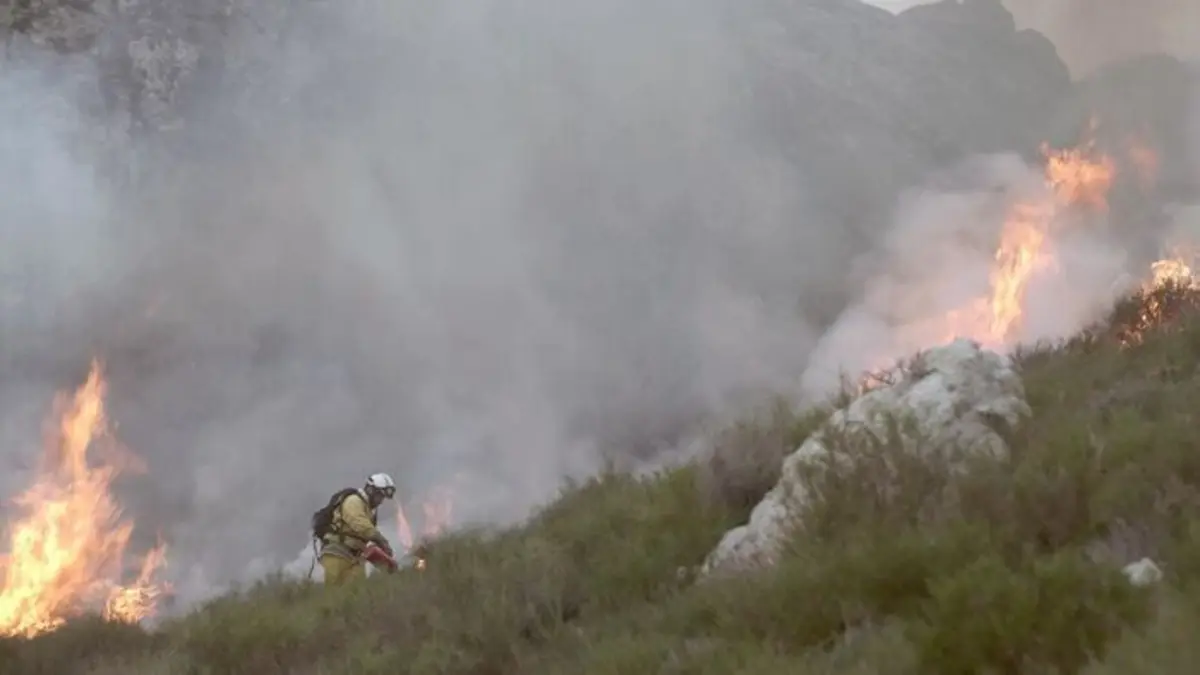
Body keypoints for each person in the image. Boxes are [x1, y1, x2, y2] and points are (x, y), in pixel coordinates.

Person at [316, 472, 397, 585]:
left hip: (356, 557)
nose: (381, 501)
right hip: (337, 553)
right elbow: (361, 526)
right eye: (379, 496)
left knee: (357, 590)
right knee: (334, 591)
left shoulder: (368, 509)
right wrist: (381, 540)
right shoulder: (353, 501)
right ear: (371, 490)